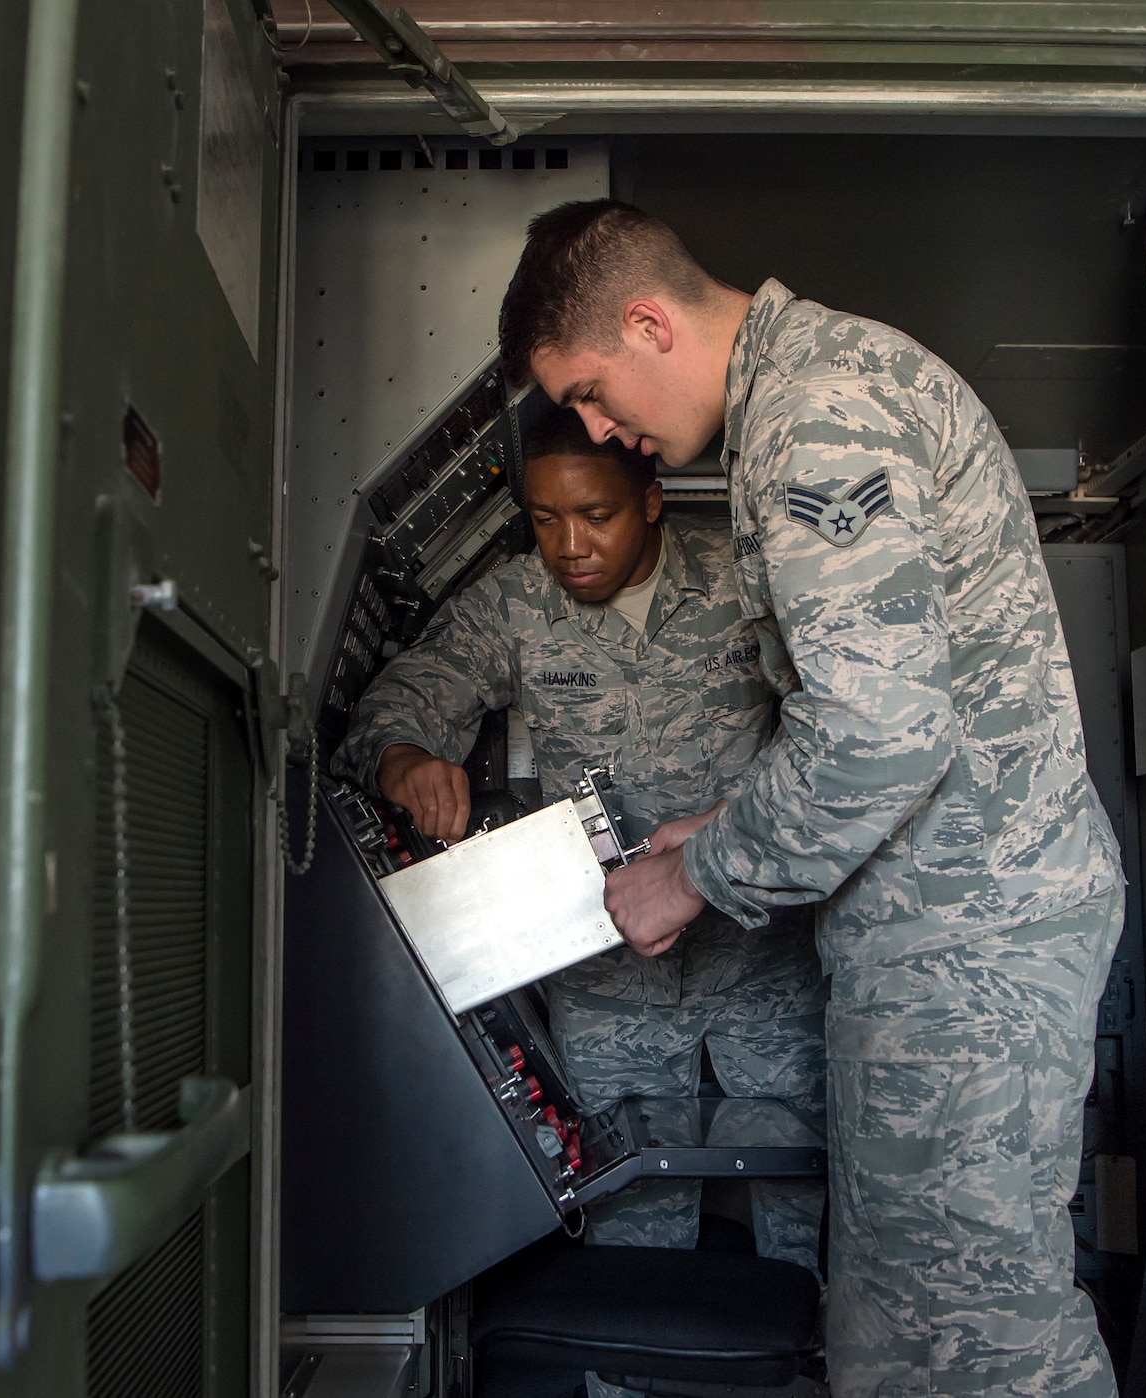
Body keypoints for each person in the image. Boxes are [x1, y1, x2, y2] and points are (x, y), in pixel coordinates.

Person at [498, 200, 1126, 1397]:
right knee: (898, 1327)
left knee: (981, 1333)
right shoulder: (811, 390)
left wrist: (688, 875)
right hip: (934, 932)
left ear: (646, 323)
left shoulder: (815, 412)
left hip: (966, 943)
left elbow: (877, 736)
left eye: (589, 388)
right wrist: (713, 829)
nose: (594, 427)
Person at [333, 410, 828, 1395]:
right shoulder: (518, 605)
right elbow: (389, 707)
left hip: (764, 973)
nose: (569, 546)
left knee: (796, 1238)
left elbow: (839, 737)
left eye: (594, 515)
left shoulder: (745, 580)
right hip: (610, 993)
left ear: (650, 497)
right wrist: (406, 760)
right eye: (544, 519)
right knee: (627, 1262)